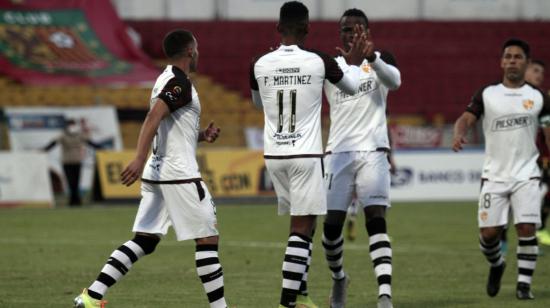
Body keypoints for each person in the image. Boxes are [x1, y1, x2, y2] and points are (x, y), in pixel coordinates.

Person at [73, 29, 227, 308]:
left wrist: (201, 135)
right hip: (179, 175)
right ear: (191, 51)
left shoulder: (163, 80)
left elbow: (169, 125)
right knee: (207, 238)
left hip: (158, 175)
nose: (199, 52)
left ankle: (91, 296)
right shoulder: (179, 83)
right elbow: (153, 117)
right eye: (198, 48)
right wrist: (138, 157)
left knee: (145, 239)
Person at [249, 2, 368, 307]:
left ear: (278, 28)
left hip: (274, 155)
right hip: (305, 154)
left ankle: (301, 295)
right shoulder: (319, 61)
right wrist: (353, 62)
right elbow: (353, 87)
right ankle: (287, 300)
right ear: (307, 28)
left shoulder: (258, 64)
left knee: (300, 225)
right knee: (301, 230)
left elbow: (258, 105)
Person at [453, 38, 550, 300]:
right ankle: (497, 265)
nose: (512, 61)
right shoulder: (487, 93)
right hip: (494, 175)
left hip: (527, 173)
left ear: (526, 62)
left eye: (518, 57)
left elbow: (548, 131)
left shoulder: (538, 97)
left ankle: (523, 286)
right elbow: (466, 118)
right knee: (489, 234)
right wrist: (459, 133)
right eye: (508, 57)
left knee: (527, 228)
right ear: (501, 62)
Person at [321, 8, 401, 308]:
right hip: (338, 153)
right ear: (339, 33)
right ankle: (339, 277)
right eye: (345, 29)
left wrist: (372, 59)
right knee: (331, 229)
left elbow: (395, 83)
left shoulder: (382, 60)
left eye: (357, 28)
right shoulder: (330, 66)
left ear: (367, 31)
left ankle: (384, 295)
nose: (351, 33)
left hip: (374, 151)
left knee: (376, 219)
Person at [43, 118, 106, 206]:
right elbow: (53, 143)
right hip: (67, 161)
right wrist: (44, 150)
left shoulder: (80, 135)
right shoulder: (63, 135)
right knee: (70, 182)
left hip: (77, 161)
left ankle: (75, 200)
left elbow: (90, 142)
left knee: (76, 182)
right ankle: (74, 200)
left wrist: (100, 148)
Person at [525, 60, 550, 246]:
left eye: (541, 72)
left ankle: (538, 232)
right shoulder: (514, 95)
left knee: (543, 193)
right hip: (530, 157)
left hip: (542, 156)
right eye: (535, 71)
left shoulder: (543, 98)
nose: (539, 75)